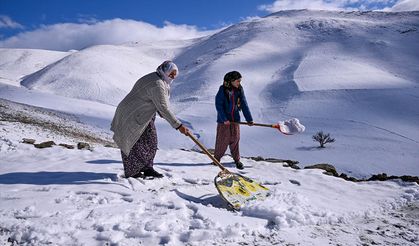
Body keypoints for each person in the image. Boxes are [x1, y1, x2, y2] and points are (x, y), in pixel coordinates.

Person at [111, 60, 190, 179]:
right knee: (133, 142)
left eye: (175, 74)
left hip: (144, 114)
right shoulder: (157, 84)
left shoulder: (159, 79)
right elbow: (163, 107)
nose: (173, 76)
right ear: (165, 70)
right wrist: (178, 125)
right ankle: (133, 171)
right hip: (132, 114)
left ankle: (147, 168)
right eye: (171, 73)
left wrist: (159, 110)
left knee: (151, 141)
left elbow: (156, 101)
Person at [214, 71, 253, 170]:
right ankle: (216, 159)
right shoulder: (223, 90)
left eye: (240, 81)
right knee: (222, 140)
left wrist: (249, 119)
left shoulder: (239, 89)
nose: (239, 83)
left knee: (235, 139)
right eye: (237, 81)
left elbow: (244, 104)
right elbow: (218, 105)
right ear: (231, 81)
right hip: (224, 122)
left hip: (235, 120)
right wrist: (224, 119)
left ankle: (237, 160)